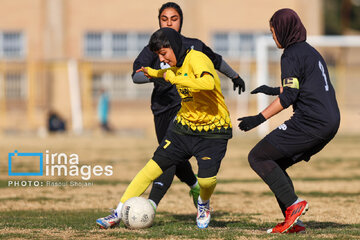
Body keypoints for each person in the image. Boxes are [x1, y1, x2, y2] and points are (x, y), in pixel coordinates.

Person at [97, 27, 233, 229]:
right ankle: (117, 213)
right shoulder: (174, 64)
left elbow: (207, 83)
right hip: (183, 128)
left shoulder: (197, 59)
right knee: (149, 170)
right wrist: (152, 72)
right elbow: (165, 73)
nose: (162, 59)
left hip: (213, 130)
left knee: (206, 182)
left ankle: (203, 204)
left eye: (163, 54)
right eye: (159, 55)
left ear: (174, 46)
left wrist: (173, 77)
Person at [131, 2, 245, 212]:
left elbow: (216, 60)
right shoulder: (153, 49)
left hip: (186, 108)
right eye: (164, 19)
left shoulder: (194, 46)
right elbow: (137, 76)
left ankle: (150, 205)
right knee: (173, 158)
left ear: (181, 21)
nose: (169, 23)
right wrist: (162, 77)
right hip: (162, 109)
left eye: (174, 19)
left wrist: (235, 76)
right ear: (159, 21)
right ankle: (194, 186)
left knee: (164, 161)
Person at [237, 8, 340, 234]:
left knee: (258, 156)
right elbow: (301, 86)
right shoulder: (309, 51)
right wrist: (273, 88)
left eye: (273, 31)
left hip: (312, 121)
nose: (273, 36)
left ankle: (294, 205)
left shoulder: (291, 54)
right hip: (329, 120)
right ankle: (294, 221)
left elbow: (289, 97)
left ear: (283, 30)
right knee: (274, 163)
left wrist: (257, 119)